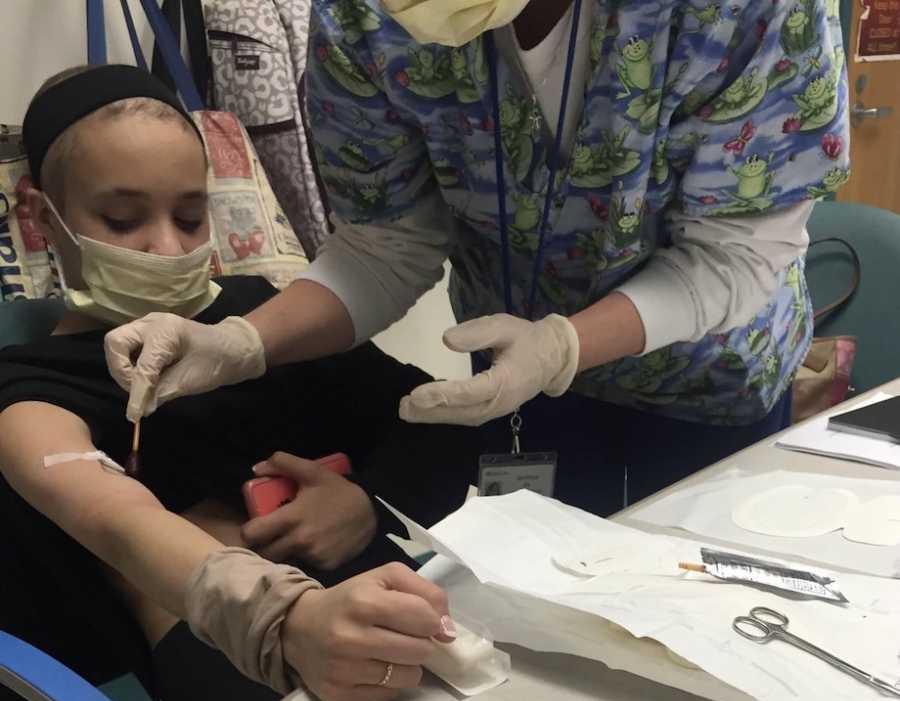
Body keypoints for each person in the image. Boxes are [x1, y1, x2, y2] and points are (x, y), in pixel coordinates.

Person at [0, 63, 478, 701]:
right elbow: (123, 523)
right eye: (123, 217)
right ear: (36, 220)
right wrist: (277, 616)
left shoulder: (260, 322)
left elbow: (421, 419)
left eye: (189, 214)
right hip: (234, 670)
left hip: (384, 606)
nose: (166, 245)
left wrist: (364, 500)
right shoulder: (30, 395)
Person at [105, 0, 849, 515]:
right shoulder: (372, 20)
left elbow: (736, 254)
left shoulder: (745, 15)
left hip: (706, 387)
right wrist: (242, 342)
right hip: (515, 394)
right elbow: (383, 242)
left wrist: (563, 345)